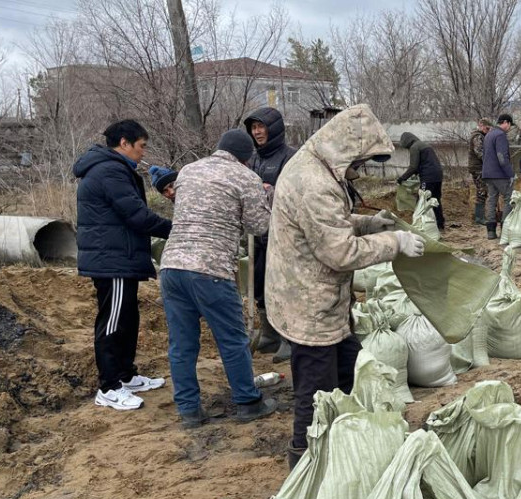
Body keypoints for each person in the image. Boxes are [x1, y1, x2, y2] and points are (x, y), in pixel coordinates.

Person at [266, 104, 427, 470]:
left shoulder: (318, 167)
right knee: (316, 395)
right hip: (309, 307)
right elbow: (339, 251)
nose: (361, 170)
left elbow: (329, 223)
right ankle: (305, 466)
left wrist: (369, 223)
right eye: (361, 162)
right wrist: (395, 244)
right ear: (346, 149)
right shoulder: (314, 182)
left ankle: (343, 443)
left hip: (323, 301)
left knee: (349, 369)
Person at [158, 130, 277, 429]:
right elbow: (259, 225)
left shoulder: (188, 170)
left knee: (182, 344)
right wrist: (265, 195)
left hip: (171, 266)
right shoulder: (244, 177)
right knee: (232, 340)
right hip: (210, 269)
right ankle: (248, 402)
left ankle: (189, 411)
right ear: (246, 157)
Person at [73, 119, 172, 412]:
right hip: (111, 261)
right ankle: (108, 386)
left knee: (127, 318)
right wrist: (177, 228)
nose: (143, 152)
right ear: (124, 143)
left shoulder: (114, 168)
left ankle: (126, 376)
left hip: (120, 256)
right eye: (141, 146)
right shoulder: (109, 170)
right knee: (113, 322)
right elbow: (137, 215)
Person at [243, 106, 298, 363]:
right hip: (258, 234)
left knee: (282, 287)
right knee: (259, 284)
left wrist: (270, 190)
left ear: (273, 128)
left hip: (283, 234)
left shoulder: (290, 157)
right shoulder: (253, 159)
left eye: (261, 127)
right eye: (254, 128)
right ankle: (269, 333)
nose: (257, 132)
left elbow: (294, 194)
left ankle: (289, 337)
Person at [396, 132, 446, 231]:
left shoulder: (414, 147)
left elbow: (413, 167)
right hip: (438, 175)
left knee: (421, 202)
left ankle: (420, 226)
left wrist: (402, 178)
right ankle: (440, 225)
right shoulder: (425, 145)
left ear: (406, 142)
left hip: (428, 177)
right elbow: (425, 163)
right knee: (435, 200)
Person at [482, 113, 516, 240]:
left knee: (492, 199)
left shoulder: (489, 134)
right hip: (499, 174)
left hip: (487, 173)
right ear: (506, 122)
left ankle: (491, 231)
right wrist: (510, 173)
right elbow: (502, 157)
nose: (509, 128)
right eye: (510, 125)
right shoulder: (500, 135)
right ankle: (505, 229)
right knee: (509, 197)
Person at [469, 119, 491, 225]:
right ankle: (479, 218)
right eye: (487, 128)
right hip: (478, 168)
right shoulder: (477, 137)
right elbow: (479, 152)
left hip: (480, 167)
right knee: (482, 192)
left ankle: (480, 216)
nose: (488, 130)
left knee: (482, 191)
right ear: (481, 126)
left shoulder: (481, 136)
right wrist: (490, 162)